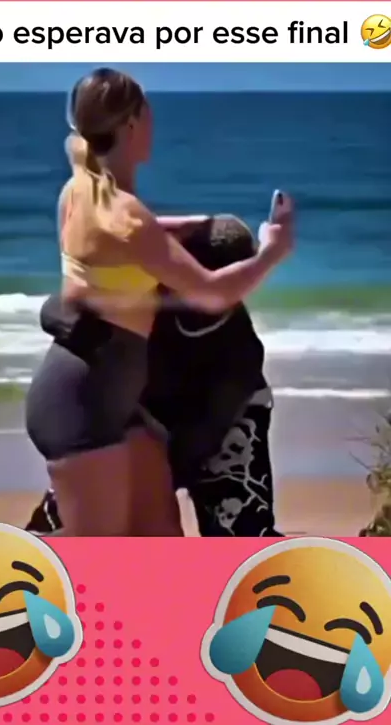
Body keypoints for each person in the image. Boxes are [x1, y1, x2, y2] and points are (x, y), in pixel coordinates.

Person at [25, 67, 293, 536]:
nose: (153, 123)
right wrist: (273, 251)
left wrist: (198, 225)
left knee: (160, 546)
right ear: (131, 124)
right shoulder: (126, 219)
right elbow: (213, 292)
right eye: (148, 113)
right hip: (83, 413)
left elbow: (127, 237)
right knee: (95, 563)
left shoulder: (80, 191)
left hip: (115, 405)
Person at [27, 215, 282, 537]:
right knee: (76, 519)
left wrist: (159, 481)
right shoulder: (144, 294)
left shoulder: (239, 351)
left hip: (225, 422)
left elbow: (203, 433)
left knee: (242, 534)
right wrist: (86, 325)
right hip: (136, 418)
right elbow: (54, 309)